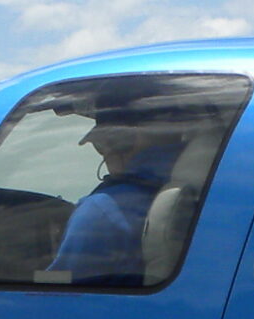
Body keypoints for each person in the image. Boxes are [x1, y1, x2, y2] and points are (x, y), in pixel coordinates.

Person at [43, 107, 193, 286]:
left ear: (123, 141)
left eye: (103, 144)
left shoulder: (100, 211)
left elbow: (56, 290)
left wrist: (29, 274)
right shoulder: (202, 187)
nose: (105, 154)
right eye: (99, 147)